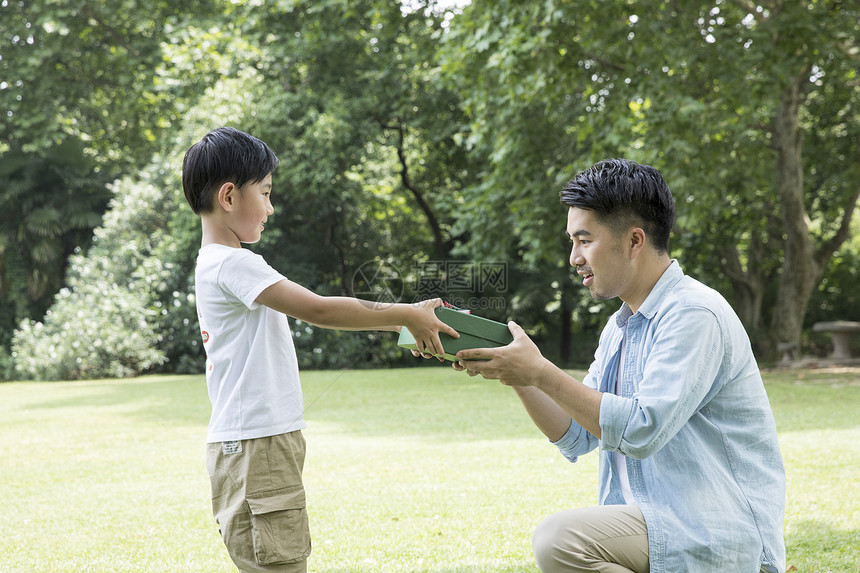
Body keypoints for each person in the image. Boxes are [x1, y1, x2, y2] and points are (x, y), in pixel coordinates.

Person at [454, 159, 786, 573]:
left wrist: (540, 371)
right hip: (659, 522)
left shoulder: (694, 314)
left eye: (584, 240)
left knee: (560, 540)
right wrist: (516, 374)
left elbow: (641, 429)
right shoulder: (621, 326)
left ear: (634, 240)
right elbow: (576, 435)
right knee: (561, 541)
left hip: (714, 529)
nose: (573, 257)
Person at [181, 126, 458, 573]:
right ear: (229, 197)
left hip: (255, 443)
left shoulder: (219, 263)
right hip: (258, 445)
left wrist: (407, 322)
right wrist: (406, 312)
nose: (271, 208)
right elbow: (321, 310)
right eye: (266, 193)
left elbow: (326, 312)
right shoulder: (233, 264)